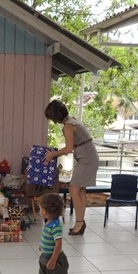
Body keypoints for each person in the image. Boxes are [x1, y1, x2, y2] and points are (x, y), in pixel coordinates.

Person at [43, 100, 99, 235]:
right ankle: (81, 222)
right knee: (81, 191)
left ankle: (79, 222)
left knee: (74, 189)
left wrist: (52, 154)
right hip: (89, 157)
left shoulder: (68, 126)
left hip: (86, 159)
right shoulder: (72, 121)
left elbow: (69, 148)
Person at [26, 192, 69, 274]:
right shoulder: (48, 222)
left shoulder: (56, 226)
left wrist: (53, 260)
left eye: (40, 208)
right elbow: (48, 238)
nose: (39, 211)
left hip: (56, 259)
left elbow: (58, 244)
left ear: (45, 211)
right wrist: (43, 246)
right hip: (44, 257)